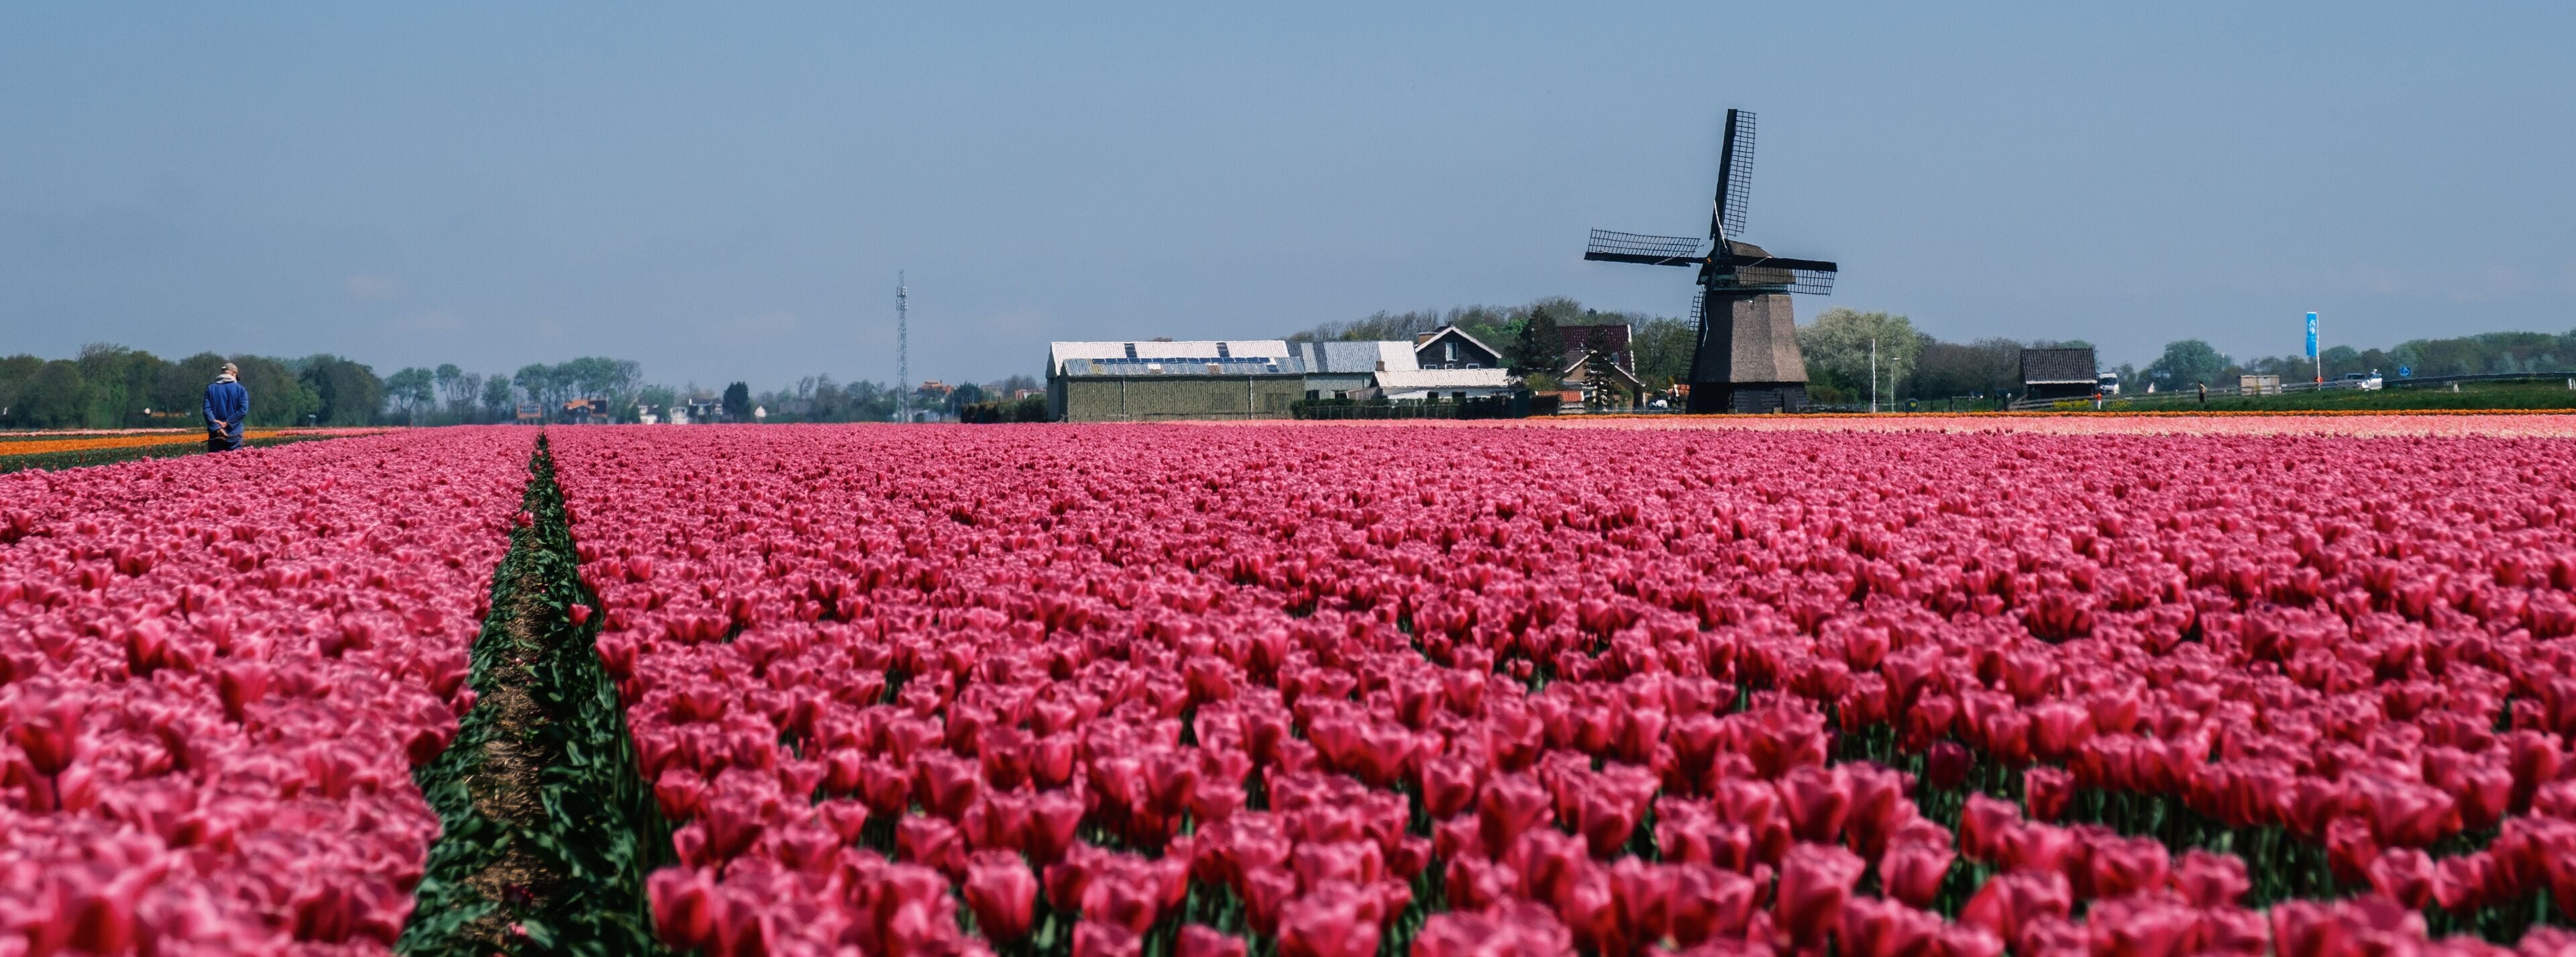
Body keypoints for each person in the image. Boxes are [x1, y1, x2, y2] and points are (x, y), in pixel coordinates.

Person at [203, 362, 248, 452]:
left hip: (215, 435)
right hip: (234, 433)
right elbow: (243, 411)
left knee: (214, 463)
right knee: (235, 462)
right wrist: (227, 423)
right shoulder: (240, 390)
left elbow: (207, 410)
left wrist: (217, 428)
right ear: (234, 374)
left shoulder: (210, 389)